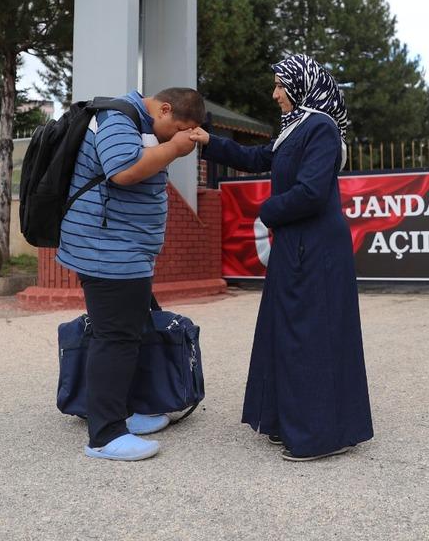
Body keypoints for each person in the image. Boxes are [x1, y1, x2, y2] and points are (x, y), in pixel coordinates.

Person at [190, 54, 374, 461]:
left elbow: (310, 193)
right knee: (285, 330)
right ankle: (285, 420)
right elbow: (259, 159)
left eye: (279, 85)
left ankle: (323, 435)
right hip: (296, 245)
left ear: (301, 85)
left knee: (311, 335)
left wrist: (266, 211)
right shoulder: (295, 129)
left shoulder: (321, 129)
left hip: (316, 248)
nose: (274, 94)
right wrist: (209, 143)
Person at [57, 86, 205, 462]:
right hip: (108, 252)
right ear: (165, 109)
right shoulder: (118, 118)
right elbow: (122, 172)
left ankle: (127, 412)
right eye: (179, 129)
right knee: (116, 337)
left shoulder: (136, 122)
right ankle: (105, 435)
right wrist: (172, 149)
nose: (177, 139)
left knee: (131, 330)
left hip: (123, 251)